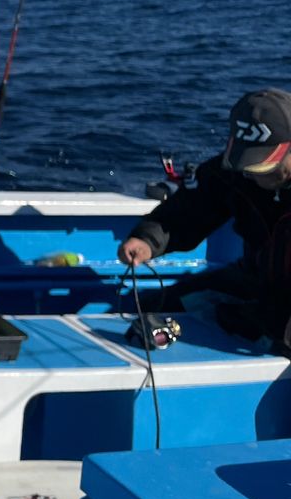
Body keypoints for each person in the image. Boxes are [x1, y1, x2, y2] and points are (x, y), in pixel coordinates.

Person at [118, 89, 291, 349]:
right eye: (246, 166)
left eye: (263, 167)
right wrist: (148, 239)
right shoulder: (233, 174)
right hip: (255, 281)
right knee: (154, 309)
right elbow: (192, 206)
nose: (254, 177)